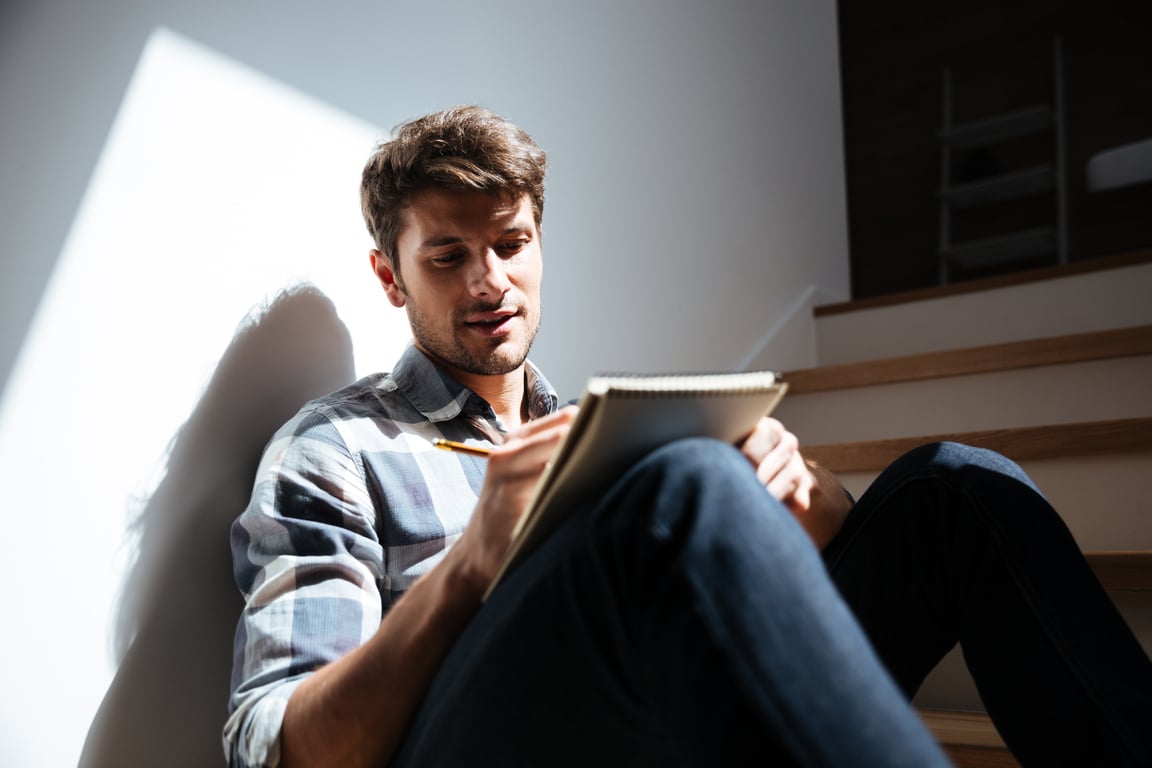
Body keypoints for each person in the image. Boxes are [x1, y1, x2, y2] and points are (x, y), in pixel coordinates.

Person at [224, 105, 1152, 767]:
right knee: (685, 486)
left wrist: (809, 505)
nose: (490, 282)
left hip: (659, 703)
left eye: (510, 243)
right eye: (449, 256)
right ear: (391, 277)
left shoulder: (591, 429)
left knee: (955, 489)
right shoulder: (334, 448)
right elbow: (279, 746)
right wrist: (470, 568)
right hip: (485, 735)